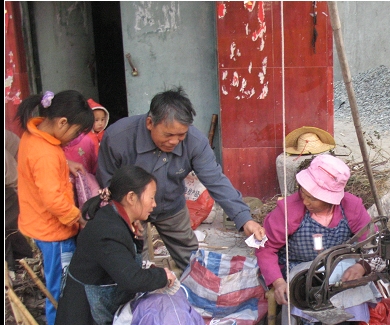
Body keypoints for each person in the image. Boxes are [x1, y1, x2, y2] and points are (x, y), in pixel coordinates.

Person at [53, 165, 195, 325]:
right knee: (160, 308)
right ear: (131, 197)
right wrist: (163, 276)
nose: (154, 204)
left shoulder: (116, 218)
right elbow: (131, 279)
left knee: (168, 297)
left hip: (99, 301)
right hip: (89, 321)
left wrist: (138, 242)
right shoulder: (108, 230)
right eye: (151, 198)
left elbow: (124, 265)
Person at [96, 87, 266, 271]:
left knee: (192, 261)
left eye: (181, 135)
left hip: (171, 206)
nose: (174, 141)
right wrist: (127, 215)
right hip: (132, 210)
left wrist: (244, 219)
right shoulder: (118, 138)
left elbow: (216, 181)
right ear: (150, 123)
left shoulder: (195, 142)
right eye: (168, 135)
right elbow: (108, 182)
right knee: (134, 262)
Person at [255, 154, 378, 325]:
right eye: (303, 193)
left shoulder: (351, 206)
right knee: (308, 284)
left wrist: (362, 266)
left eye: (313, 198)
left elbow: (373, 242)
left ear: (330, 199)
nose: (305, 201)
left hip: (338, 264)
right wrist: (278, 282)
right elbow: (266, 248)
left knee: (347, 281)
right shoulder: (289, 210)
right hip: (298, 267)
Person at [16, 90, 95, 325]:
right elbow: (53, 199)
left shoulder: (34, 135)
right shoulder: (46, 154)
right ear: (62, 122)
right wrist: (79, 218)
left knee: (55, 282)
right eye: (76, 132)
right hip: (53, 233)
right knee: (60, 288)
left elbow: (41, 170)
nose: (76, 139)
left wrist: (65, 164)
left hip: (35, 223)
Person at [64, 99, 109, 207]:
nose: (100, 123)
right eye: (96, 120)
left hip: (89, 178)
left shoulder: (105, 135)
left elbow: (95, 162)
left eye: (103, 119)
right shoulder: (87, 138)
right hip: (72, 180)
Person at [5, 129, 34, 270]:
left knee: (13, 233)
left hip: (10, 188)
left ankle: (14, 269)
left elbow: (13, 177)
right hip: (12, 184)